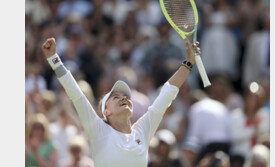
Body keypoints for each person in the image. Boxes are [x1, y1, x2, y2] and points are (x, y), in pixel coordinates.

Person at [41, 37, 200, 167]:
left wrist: (188, 63)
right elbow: (76, 95)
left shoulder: (142, 131)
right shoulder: (98, 130)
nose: (124, 98)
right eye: (116, 97)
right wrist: (54, 59)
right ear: (106, 112)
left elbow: (166, 95)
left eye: (125, 97)